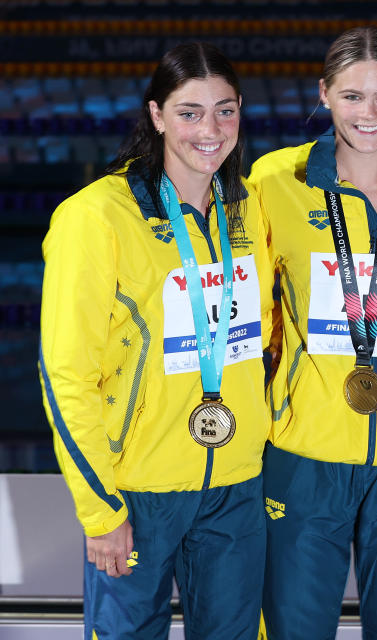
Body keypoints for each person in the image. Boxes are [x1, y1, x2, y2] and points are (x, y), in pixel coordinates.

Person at [39, 42, 272, 639]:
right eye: (189, 112)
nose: (210, 129)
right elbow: (66, 375)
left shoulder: (247, 213)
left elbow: (260, 336)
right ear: (157, 115)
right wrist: (100, 510)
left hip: (235, 485)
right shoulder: (96, 217)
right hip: (137, 492)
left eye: (225, 110)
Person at [247, 26, 377, 640]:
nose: (369, 114)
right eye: (351, 97)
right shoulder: (274, 182)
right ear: (324, 94)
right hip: (306, 446)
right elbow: (254, 302)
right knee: (292, 626)